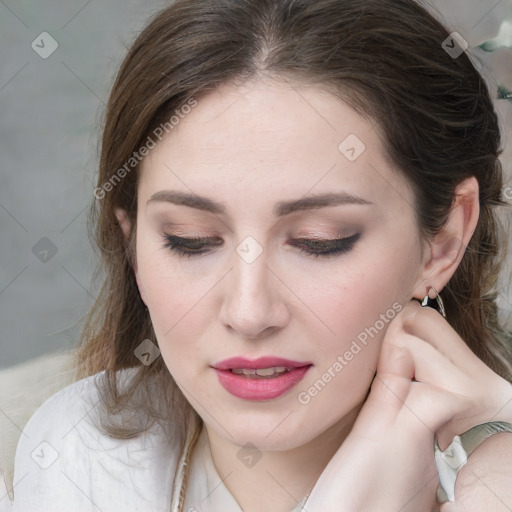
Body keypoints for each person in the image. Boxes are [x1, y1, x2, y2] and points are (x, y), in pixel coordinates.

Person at [6, 0, 512, 510]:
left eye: (321, 240)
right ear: (133, 242)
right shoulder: (74, 456)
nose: (249, 313)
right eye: (190, 239)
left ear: (443, 240)